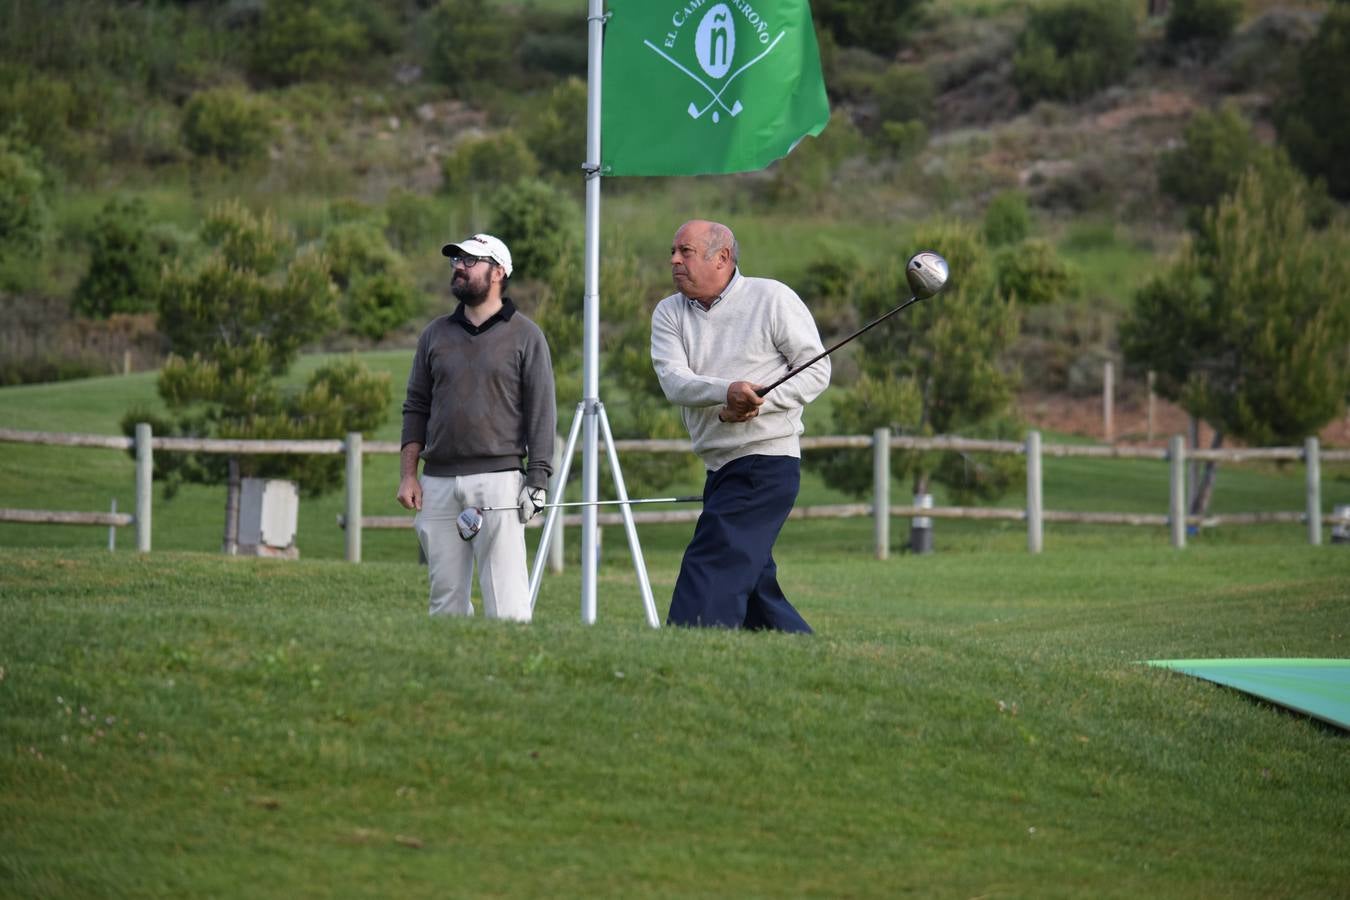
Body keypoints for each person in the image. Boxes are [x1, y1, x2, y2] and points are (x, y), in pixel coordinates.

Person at [650, 220, 830, 632]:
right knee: (752, 583)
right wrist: (727, 391)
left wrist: (757, 405)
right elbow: (674, 381)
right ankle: (797, 649)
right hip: (720, 467)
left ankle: (692, 645)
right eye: (673, 252)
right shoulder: (668, 313)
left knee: (713, 560)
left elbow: (816, 372)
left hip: (767, 462)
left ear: (722, 258)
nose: (674, 260)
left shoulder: (772, 298)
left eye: (685, 251)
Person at [397, 233, 556, 622]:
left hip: (499, 481)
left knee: (507, 601)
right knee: (445, 600)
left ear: (498, 271)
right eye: (456, 261)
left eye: (471, 261)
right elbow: (416, 407)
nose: (459, 267)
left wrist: (537, 480)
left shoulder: (526, 335)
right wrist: (408, 476)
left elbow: (542, 413)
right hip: (437, 483)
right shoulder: (434, 334)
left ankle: (513, 673)